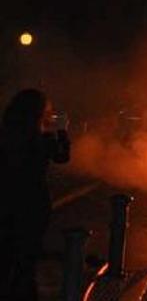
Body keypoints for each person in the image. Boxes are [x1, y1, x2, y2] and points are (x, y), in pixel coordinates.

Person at [0, 89, 70, 300]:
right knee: (26, 262)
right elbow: (62, 157)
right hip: (33, 203)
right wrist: (63, 131)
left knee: (5, 255)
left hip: (6, 200)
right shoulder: (42, 139)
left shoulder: (5, 136)